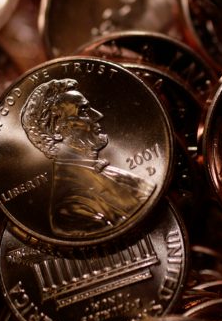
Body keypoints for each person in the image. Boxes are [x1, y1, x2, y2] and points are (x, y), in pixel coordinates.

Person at [20, 78, 154, 238]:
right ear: (57, 128)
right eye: (83, 111)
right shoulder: (70, 211)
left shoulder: (112, 172)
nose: (98, 115)